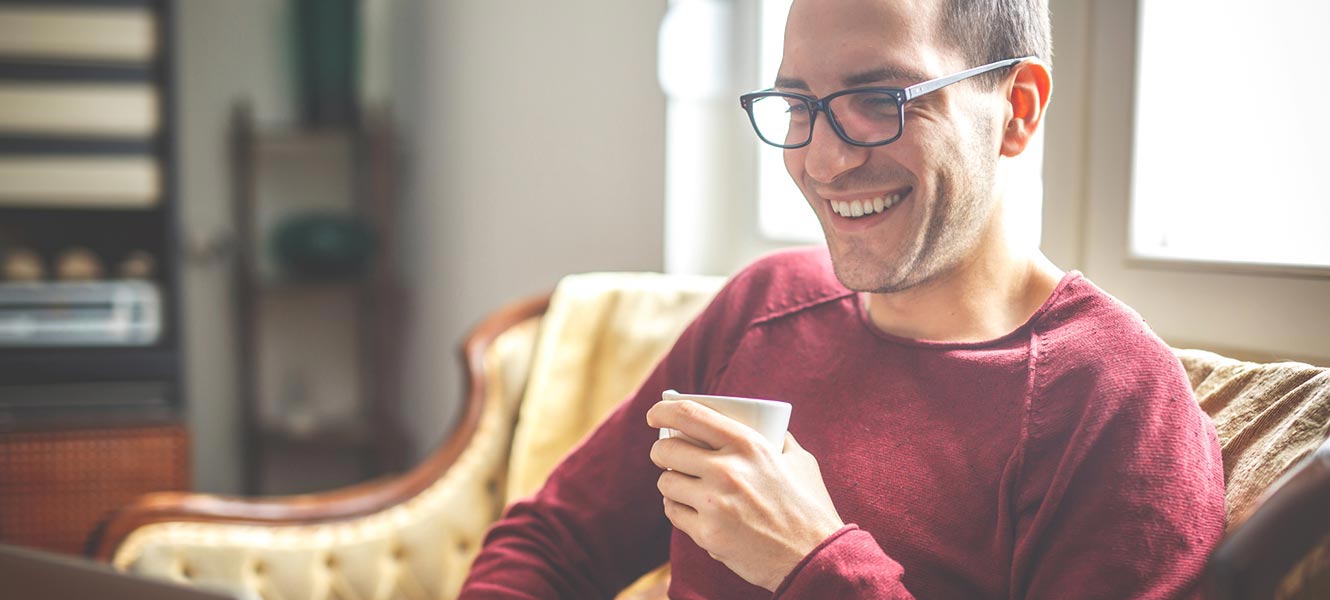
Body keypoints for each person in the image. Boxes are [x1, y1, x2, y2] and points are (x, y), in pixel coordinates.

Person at [459, 0, 1225, 597]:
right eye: (798, 105)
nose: (823, 161)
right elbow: (551, 545)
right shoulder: (767, 304)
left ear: (1018, 108)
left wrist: (811, 562)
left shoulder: (1115, 400)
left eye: (879, 99)